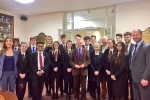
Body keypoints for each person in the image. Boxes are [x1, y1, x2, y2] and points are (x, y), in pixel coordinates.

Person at [130, 29, 150, 100]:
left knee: (145, 98)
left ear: (142, 35)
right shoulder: (133, 47)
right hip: (134, 78)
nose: (135, 37)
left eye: (137, 35)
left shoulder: (147, 47)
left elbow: (149, 64)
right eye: (133, 35)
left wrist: (145, 78)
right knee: (136, 98)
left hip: (142, 79)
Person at [123, 32, 134, 100]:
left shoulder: (134, 46)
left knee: (132, 86)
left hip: (131, 70)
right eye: (125, 37)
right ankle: (125, 98)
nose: (126, 38)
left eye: (128, 37)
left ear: (131, 37)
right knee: (124, 86)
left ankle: (132, 98)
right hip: (123, 70)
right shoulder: (121, 46)